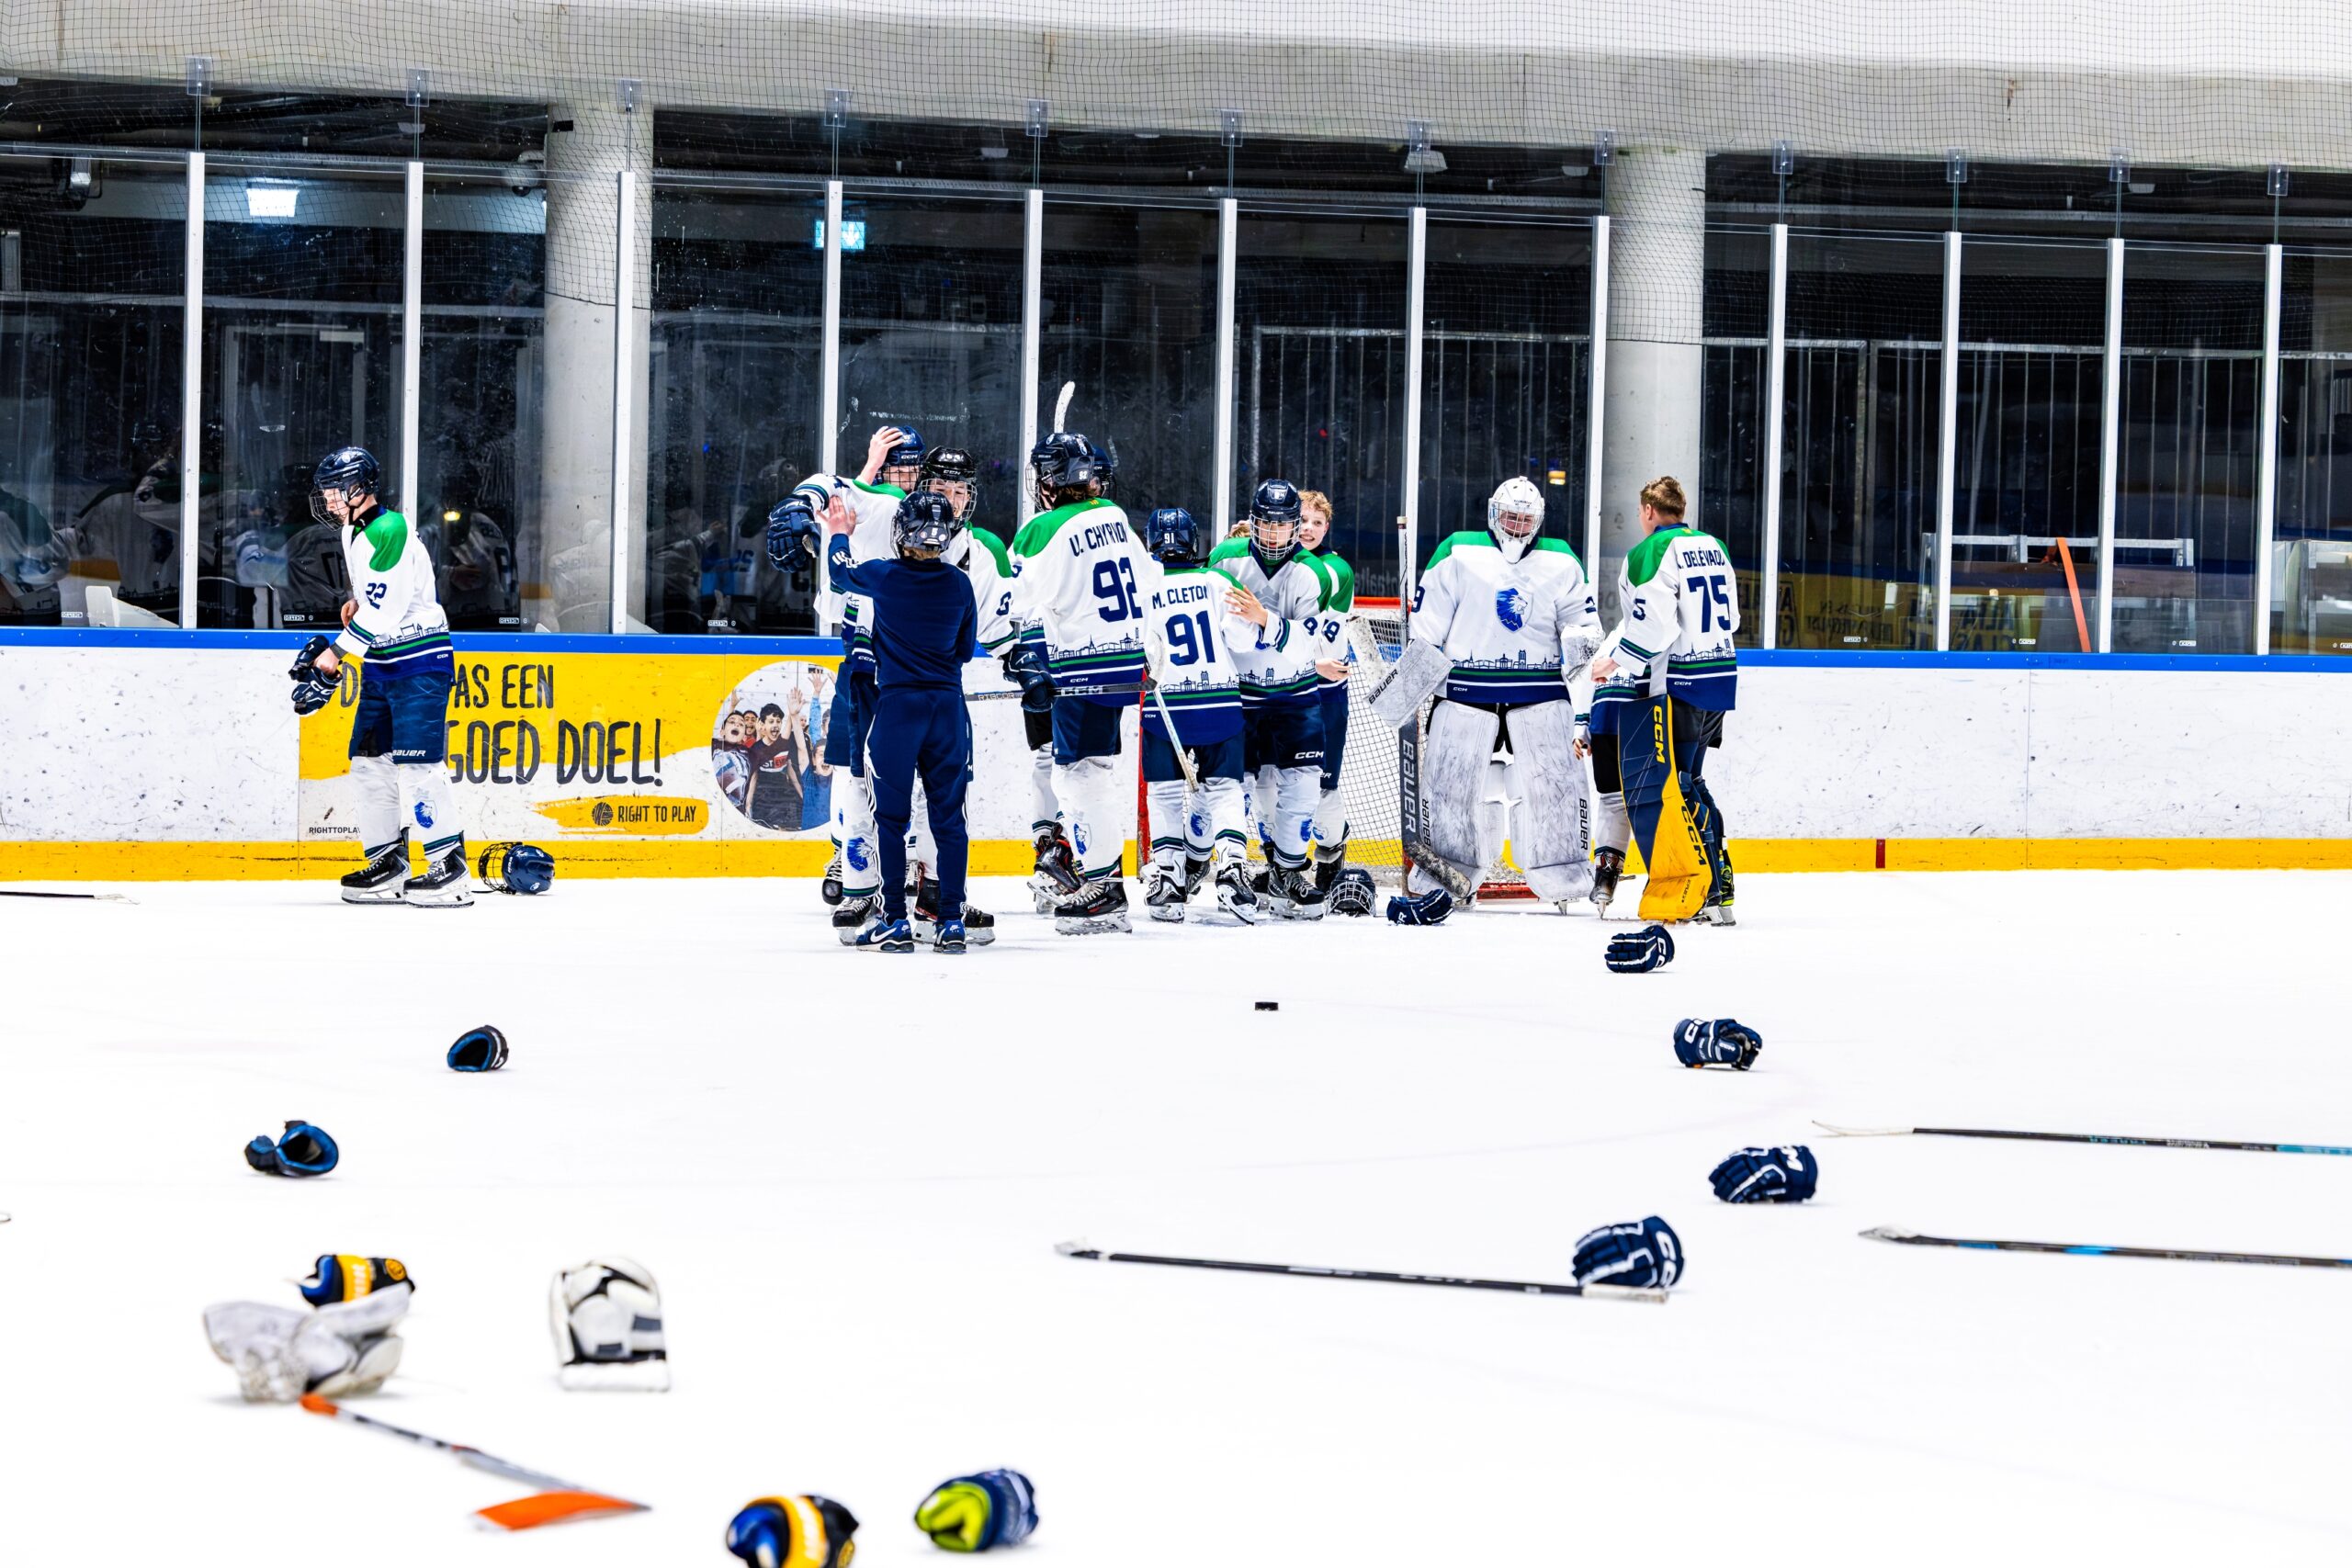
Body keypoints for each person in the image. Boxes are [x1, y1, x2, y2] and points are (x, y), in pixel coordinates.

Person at [1395, 476, 1600, 915]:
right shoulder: (1457, 550)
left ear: (1538, 520)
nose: (1516, 526)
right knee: (1452, 786)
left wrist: (1581, 657)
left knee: (1554, 784)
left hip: (1541, 691)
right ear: (1493, 513)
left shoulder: (1561, 559)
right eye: (1510, 516)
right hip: (1465, 690)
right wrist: (1411, 684)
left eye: (1525, 519)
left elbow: (1583, 629)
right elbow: (1427, 629)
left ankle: (1562, 871)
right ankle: (1448, 872)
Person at [293, 446, 469, 908]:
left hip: (420, 660)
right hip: (381, 660)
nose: (329, 499)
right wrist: (356, 605)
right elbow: (378, 597)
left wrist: (335, 654)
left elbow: (389, 611)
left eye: (336, 490)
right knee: (370, 763)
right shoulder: (352, 530)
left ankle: (449, 869)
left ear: (361, 487)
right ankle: (389, 864)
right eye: (326, 492)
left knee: (419, 765)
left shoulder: (390, 528)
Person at [766, 425, 921, 931]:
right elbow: (848, 502)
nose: (906, 477)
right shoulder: (893, 508)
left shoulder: (907, 511)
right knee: (851, 770)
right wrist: (867, 472)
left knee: (890, 774)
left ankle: (900, 862)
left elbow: (841, 496)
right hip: (865, 660)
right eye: (899, 468)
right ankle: (849, 857)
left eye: (911, 469)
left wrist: (860, 477)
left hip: (896, 663)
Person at [1007, 432, 1154, 935]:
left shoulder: (1041, 529)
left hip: (1081, 665)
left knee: (1077, 775)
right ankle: (1099, 878)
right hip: (1124, 660)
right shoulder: (1113, 515)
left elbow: (1013, 601)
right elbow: (1149, 580)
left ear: (1049, 479)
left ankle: (1105, 888)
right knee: (1090, 769)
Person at [824, 491, 978, 953]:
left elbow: (839, 572)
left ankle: (894, 919)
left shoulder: (885, 576)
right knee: (950, 820)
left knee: (889, 819)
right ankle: (951, 921)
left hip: (897, 710)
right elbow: (964, 651)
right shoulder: (960, 584)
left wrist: (839, 534)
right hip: (947, 711)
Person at [1589, 475, 1739, 925]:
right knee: (1693, 781)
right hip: (1718, 676)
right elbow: (1731, 616)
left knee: (1679, 787)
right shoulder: (1715, 546)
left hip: (1680, 682)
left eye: (1640, 511)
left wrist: (1615, 660)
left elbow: (1653, 625)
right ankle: (1721, 886)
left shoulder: (1649, 552)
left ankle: (1708, 887)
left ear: (1649, 511)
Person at [1207, 480, 1344, 919]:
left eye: (1282, 525)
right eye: (1265, 524)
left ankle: (1288, 872)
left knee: (1304, 784)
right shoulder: (1225, 559)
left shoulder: (1311, 572)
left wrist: (1262, 618)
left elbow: (1304, 645)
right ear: (1254, 522)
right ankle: (1203, 865)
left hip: (1294, 695)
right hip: (1240, 694)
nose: (1272, 533)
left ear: (1293, 527)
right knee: (1236, 785)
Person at [901, 447, 1012, 945]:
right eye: (942, 488)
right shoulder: (893, 530)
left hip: (943, 692)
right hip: (889, 688)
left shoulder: (979, 553)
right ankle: (868, 890)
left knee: (944, 795)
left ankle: (935, 894)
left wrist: (1024, 661)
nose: (952, 499)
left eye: (961, 490)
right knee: (877, 792)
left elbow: (997, 625)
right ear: (924, 488)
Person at [1138, 506, 1266, 924]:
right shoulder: (1217, 581)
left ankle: (1169, 878)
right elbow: (1243, 641)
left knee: (1164, 793)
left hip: (1166, 704)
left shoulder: (1142, 585)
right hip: (1219, 700)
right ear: (1194, 540)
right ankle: (1232, 870)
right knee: (1225, 789)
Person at [1295, 489, 1356, 896]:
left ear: (1327, 527)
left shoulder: (1335, 569)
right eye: (1301, 520)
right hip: (1283, 691)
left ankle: (1332, 851)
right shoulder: (1281, 564)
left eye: (1317, 522)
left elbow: (1305, 578)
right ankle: (1283, 862)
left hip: (1324, 695)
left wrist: (1250, 546)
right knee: (1276, 782)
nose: (1308, 529)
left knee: (1322, 786)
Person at [746, 701, 808, 831]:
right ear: (763, 725)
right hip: (763, 800)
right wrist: (748, 803)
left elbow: (790, 769)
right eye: (771, 721)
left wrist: (801, 793)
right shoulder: (756, 748)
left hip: (783, 797)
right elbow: (753, 777)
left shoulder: (785, 744)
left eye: (778, 721)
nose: (775, 725)